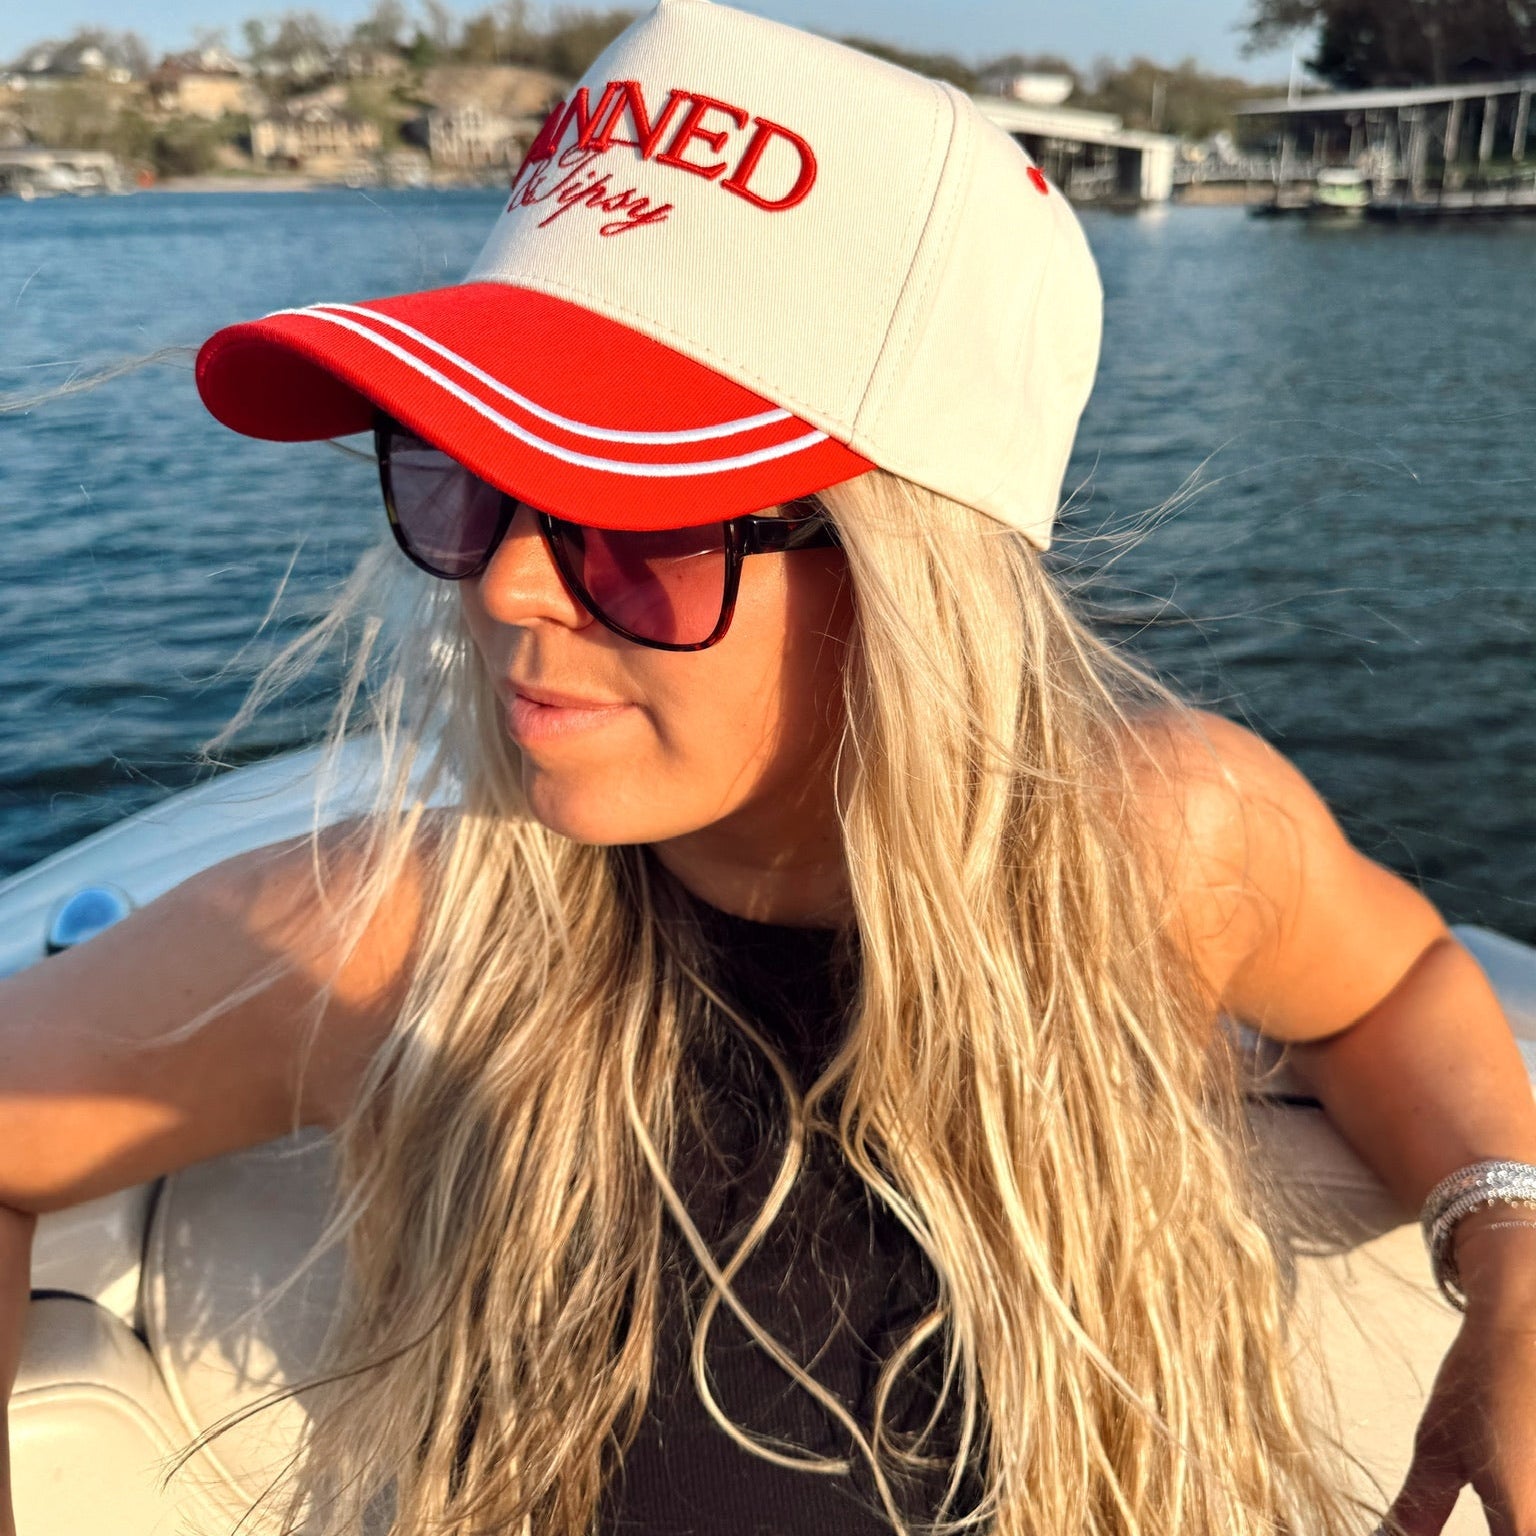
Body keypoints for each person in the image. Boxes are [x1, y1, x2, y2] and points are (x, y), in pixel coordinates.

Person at [5, 3, 1536, 1534]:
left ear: (912, 572)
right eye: (474, 479)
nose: (504, 592)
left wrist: (1509, 1252)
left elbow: (1398, 983)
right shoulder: (414, 941)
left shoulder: (1168, 843)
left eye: (639, 518)